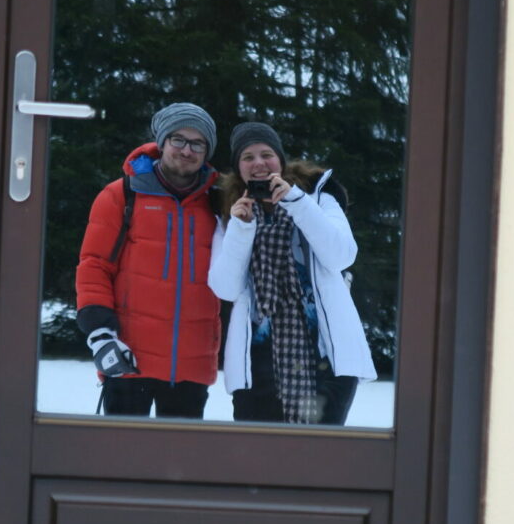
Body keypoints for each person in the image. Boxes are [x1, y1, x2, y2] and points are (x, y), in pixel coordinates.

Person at [208, 122, 376, 424]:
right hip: (257, 360)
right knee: (257, 458)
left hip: (325, 357)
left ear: (280, 161)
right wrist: (241, 228)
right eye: (248, 157)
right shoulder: (228, 213)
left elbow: (341, 256)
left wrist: (296, 202)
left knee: (319, 456)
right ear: (238, 168)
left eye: (266, 154)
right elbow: (225, 288)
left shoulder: (318, 197)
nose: (259, 163)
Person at [75, 102, 221, 418]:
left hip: (191, 365)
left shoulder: (220, 203)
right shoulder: (122, 195)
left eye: (198, 143)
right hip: (129, 359)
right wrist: (100, 333)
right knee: (121, 461)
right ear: (163, 142)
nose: (187, 150)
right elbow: (94, 265)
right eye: (178, 140)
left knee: (180, 463)